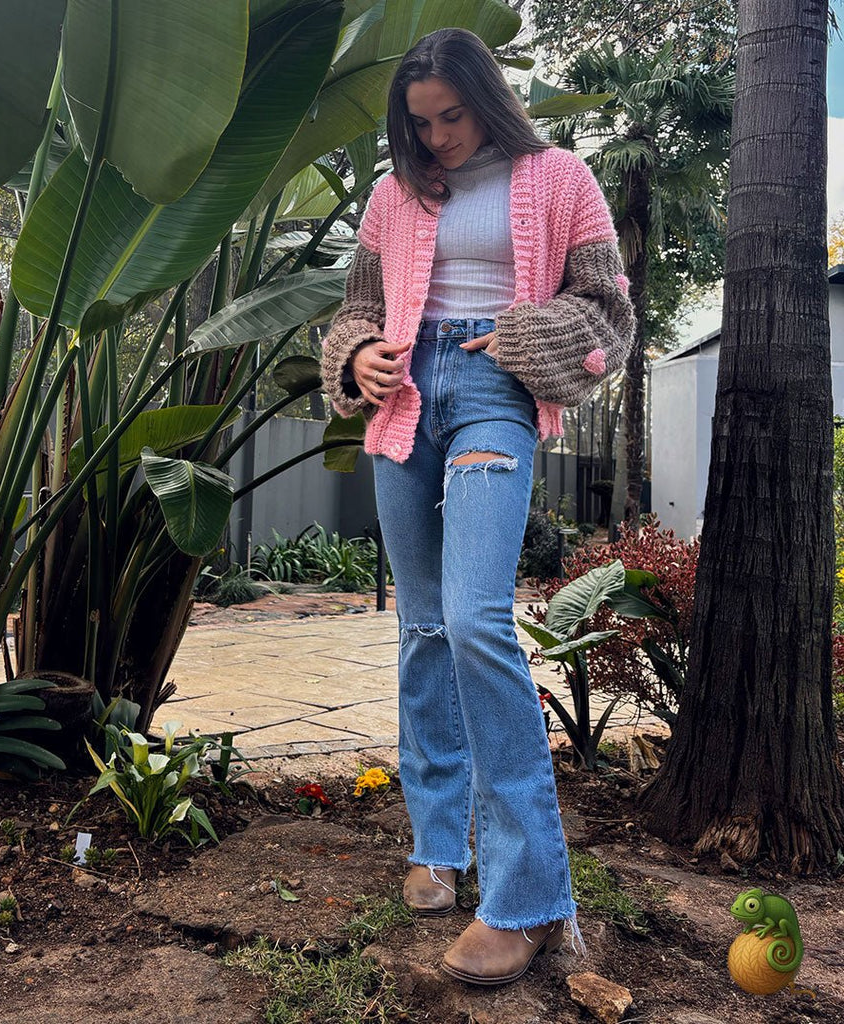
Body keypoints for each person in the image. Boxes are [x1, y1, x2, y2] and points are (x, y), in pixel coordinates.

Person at [320, 28, 635, 986]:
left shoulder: (561, 178)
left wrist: (522, 336)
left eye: (453, 116)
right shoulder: (389, 197)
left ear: (485, 100)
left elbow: (610, 313)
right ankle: (437, 844)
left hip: (496, 386)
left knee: (473, 620)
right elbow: (357, 309)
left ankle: (529, 894)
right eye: (421, 123)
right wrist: (356, 356)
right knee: (421, 629)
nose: (440, 136)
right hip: (405, 399)